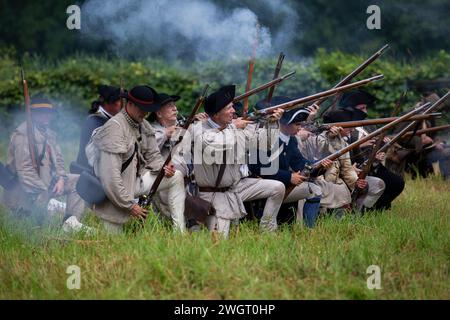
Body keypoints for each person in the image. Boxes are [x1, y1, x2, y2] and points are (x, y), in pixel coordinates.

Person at [86, 85, 186, 233]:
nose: (145, 113)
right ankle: (73, 226)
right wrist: (130, 206)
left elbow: (153, 156)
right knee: (110, 242)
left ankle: (179, 233)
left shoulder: (143, 125)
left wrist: (164, 167)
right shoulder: (114, 129)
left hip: (134, 181)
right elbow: (110, 178)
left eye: (147, 108)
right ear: (129, 104)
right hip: (111, 192)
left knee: (176, 176)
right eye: (141, 108)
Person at [192, 85, 286, 238]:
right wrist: (233, 128)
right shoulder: (198, 129)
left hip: (235, 187)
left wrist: (272, 123)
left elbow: (266, 144)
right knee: (219, 241)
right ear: (216, 114)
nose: (233, 111)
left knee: (277, 187)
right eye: (229, 108)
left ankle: (267, 230)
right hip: (214, 195)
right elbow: (215, 146)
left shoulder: (233, 128)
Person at [2, 96, 86, 231]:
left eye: (48, 112)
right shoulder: (22, 135)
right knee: (33, 231)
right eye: (41, 112)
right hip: (24, 193)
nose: (46, 116)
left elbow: (58, 161)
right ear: (32, 114)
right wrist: (44, 191)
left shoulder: (49, 134)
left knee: (79, 181)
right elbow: (25, 172)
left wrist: (60, 179)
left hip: (46, 185)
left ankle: (70, 223)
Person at [249, 98, 333, 228]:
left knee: (315, 190)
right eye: (297, 124)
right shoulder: (265, 136)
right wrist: (289, 177)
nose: (300, 128)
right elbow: (258, 167)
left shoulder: (291, 140)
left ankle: (308, 229)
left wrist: (320, 166)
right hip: (261, 184)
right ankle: (266, 227)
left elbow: (300, 164)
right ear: (285, 123)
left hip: (281, 184)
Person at [338, 90, 404, 210]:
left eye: (365, 107)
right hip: (354, 166)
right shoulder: (343, 124)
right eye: (362, 108)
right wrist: (360, 144)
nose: (365, 111)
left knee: (396, 182)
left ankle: (377, 208)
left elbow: (378, 144)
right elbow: (342, 148)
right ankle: (363, 209)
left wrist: (383, 145)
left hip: (372, 165)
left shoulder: (370, 125)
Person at [74, 85, 122, 171]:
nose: (121, 104)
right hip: (89, 172)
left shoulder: (110, 120)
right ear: (108, 103)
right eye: (118, 100)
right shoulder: (95, 121)